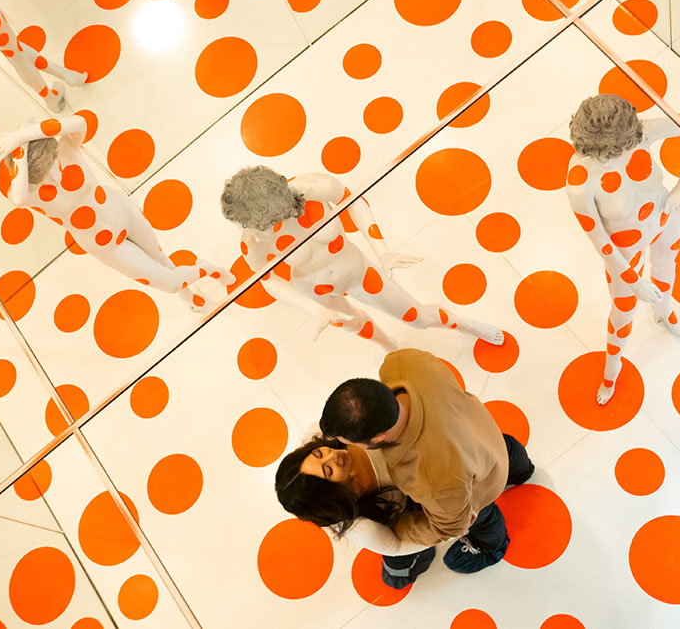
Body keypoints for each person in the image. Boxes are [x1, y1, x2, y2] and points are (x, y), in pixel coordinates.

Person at [221, 166, 504, 351]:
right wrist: (312, 310)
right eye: (247, 227)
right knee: (354, 323)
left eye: (259, 226)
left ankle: (465, 325)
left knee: (416, 317)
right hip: (317, 289)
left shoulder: (313, 187)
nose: (255, 233)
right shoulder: (252, 241)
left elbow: (353, 200)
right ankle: (389, 348)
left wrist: (382, 250)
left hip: (356, 270)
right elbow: (268, 280)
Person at [317, 349, 534, 583]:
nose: (341, 448)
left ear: (378, 437)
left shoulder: (430, 476)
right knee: (507, 450)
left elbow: (452, 525)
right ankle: (523, 470)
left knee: (481, 515)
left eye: (347, 443)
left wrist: (396, 529)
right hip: (481, 427)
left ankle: (492, 547)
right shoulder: (402, 362)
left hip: (482, 482)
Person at [566, 94, 680, 404]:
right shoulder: (580, 183)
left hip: (666, 215)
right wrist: (633, 280)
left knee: (667, 271)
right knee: (623, 313)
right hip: (625, 250)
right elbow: (599, 240)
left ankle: (665, 312)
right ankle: (612, 369)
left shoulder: (642, 134)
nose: (623, 155)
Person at [0, 116, 232, 308]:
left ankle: (188, 297)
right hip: (105, 246)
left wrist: (25, 134)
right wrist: (18, 149)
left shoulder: (68, 149)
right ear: (29, 173)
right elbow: (16, 198)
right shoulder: (29, 193)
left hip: (122, 211)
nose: (54, 175)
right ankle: (207, 269)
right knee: (169, 282)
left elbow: (79, 122)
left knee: (161, 259)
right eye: (43, 172)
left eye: (52, 163)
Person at [276, 429, 534, 588]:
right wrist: (438, 532)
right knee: (495, 449)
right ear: (335, 495)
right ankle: (519, 469)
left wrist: (457, 520)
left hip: (447, 460)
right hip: (427, 487)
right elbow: (397, 546)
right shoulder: (363, 526)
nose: (333, 455)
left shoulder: (336, 430)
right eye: (329, 471)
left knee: (480, 505)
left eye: (320, 454)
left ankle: (492, 546)